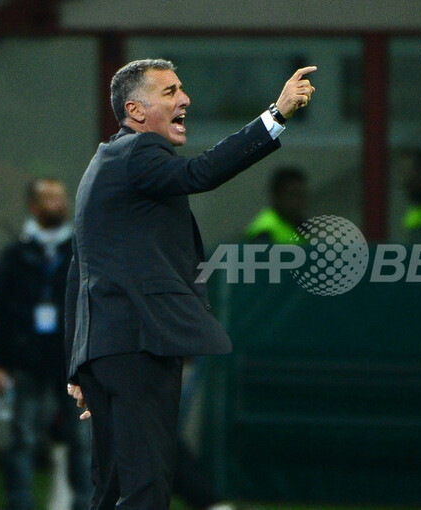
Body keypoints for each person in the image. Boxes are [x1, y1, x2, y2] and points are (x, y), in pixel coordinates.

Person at [64, 58, 315, 509]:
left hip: (107, 348)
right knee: (146, 485)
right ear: (135, 111)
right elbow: (200, 173)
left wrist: (80, 362)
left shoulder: (105, 163)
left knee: (114, 486)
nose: (185, 99)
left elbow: (77, 270)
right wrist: (275, 115)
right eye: (170, 92)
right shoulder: (140, 152)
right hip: (139, 343)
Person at [0, 178, 91, 510]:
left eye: (61, 197)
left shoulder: (79, 251)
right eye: (50, 198)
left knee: (82, 438)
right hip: (27, 359)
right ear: (34, 206)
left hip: (70, 359)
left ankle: (86, 503)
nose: (59, 204)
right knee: (23, 437)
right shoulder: (16, 255)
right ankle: (19, 503)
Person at [245, 166, 308, 243]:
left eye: (303, 195)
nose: (300, 201)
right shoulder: (265, 231)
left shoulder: (299, 224)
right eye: (294, 195)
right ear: (278, 195)